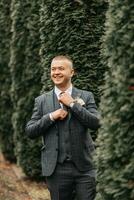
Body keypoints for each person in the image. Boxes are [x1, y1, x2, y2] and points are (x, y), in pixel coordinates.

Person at [26, 55, 100, 200]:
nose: (56, 72)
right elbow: (30, 130)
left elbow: (96, 123)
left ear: (72, 72)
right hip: (56, 169)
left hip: (84, 167)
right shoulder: (41, 101)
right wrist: (51, 117)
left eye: (61, 68)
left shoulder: (86, 96)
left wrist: (73, 104)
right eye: (53, 69)